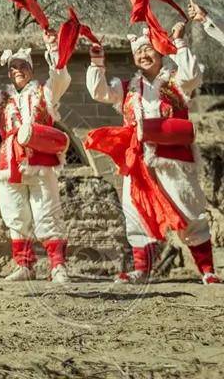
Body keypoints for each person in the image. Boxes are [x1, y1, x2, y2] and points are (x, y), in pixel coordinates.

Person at [86, 25, 219, 284]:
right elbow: (98, 92)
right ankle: (141, 269)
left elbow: (192, 75)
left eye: (148, 49)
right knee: (136, 211)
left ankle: (207, 270)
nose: (144, 55)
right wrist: (97, 61)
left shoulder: (176, 81)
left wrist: (179, 42)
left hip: (174, 160)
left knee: (188, 209)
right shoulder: (127, 88)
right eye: (139, 52)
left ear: (159, 52)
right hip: (137, 162)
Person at [0, 35, 72, 283]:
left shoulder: (45, 92)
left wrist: (52, 48)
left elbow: (61, 78)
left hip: (40, 161)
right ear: (8, 74)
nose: (18, 71)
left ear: (31, 69)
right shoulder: (1, 99)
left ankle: (58, 266)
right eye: (13, 68)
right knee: (15, 214)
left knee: (47, 212)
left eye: (23, 66)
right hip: (10, 162)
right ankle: (24, 265)